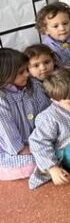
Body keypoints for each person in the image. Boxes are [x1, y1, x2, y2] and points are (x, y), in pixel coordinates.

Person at [0, 49, 50, 181]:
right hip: (16, 149)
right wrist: (25, 149)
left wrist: (48, 137)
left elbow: (46, 111)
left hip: (39, 139)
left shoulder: (33, 86)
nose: (27, 74)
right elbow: (7, 132)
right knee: (31, 165)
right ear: (5, 75)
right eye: (21, 72)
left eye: (26, 69)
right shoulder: (2, 99)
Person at [37, 2, 70, 74]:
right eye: (55, 26)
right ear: (45, 29)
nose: (62, 28)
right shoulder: (46, 48)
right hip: (65, 79)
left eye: (65, 23)